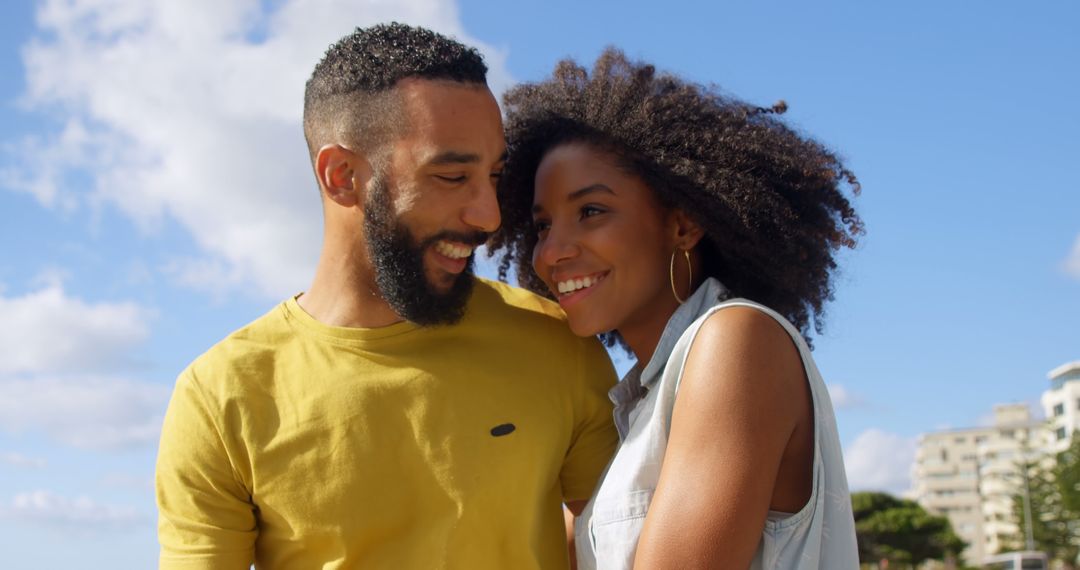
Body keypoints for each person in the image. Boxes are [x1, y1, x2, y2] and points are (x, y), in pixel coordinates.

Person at [155, 23, 618, 570]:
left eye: (494, 176)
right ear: (342, 175)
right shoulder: (219, 396)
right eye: (451, 176)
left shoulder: (557, 343)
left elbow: (621, 545)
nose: (489, 216)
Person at [490, 48, 863, 569]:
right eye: (543, 225)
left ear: (683, 225)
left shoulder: (735, 340)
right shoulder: (634, 407)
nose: (551, 252)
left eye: (591, 211)